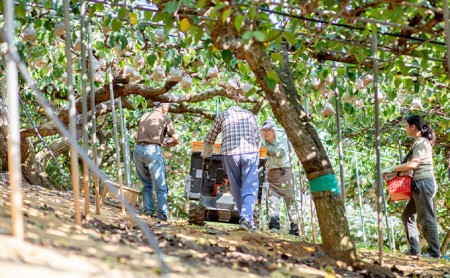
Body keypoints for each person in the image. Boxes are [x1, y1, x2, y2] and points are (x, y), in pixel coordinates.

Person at [382, 115, 440, 258]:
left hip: (423, 183)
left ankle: (434, 253)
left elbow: (414, 164)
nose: (405, 128)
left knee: (426, 217)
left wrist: (392, 169)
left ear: (413, 126)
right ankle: (415, 250)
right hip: (419, 183)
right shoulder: (419, 142)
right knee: (407, 215)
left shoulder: (421, 142)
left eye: (407, 125)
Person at [201, 106, 260, 232]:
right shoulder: (250, 115)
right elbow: (257, 138)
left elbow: (211, 137)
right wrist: (257, 155)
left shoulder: (223, 115)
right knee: (250, 186)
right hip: (249, 152)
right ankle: (246, 219)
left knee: (236, 187)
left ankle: (246, 220)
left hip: (230, 153)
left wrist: (205, 153)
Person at [133, 102, 179, 221]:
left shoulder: (144, 116)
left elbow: (146, 135)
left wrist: (161, 140)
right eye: (168, 107)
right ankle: (162, 214)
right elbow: (176, 138)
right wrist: (172, 142)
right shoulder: (164, 117)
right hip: (152, 151)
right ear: (164, 106)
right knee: (160, 185)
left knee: (146, 184)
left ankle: (148, 211)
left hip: (138, 150)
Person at [260, 121, 299, 236]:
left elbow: (280, 153)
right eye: (264, 130)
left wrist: (265, 151)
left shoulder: (282, 139)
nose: (266, 133)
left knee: (289, 199)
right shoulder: (263, 143)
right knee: (272, 199)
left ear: (274, 131)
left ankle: (295, 227)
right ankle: (274, 225)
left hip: (285, 174)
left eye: (269, 130)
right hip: (271, 175)